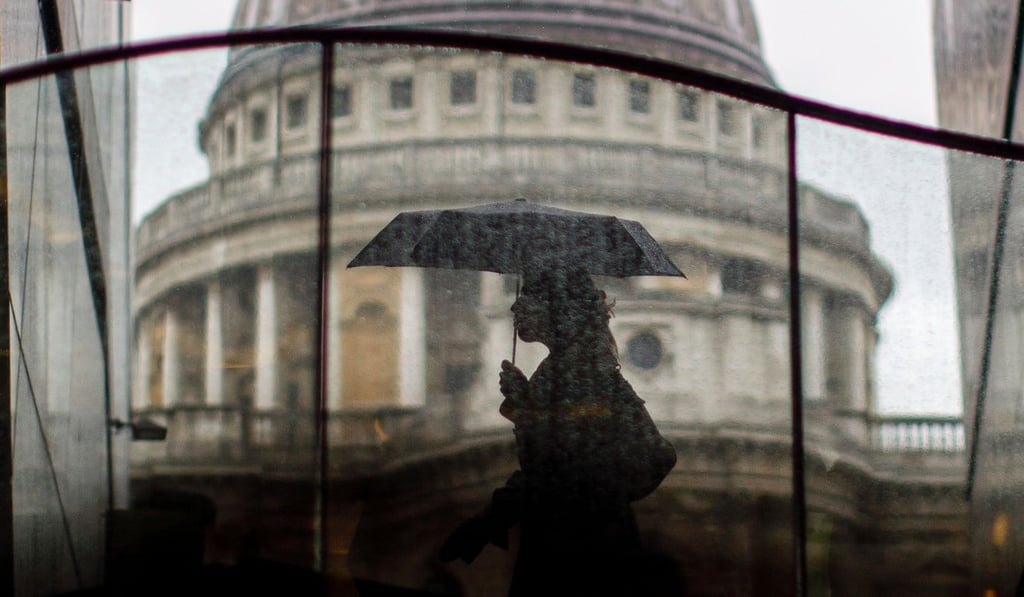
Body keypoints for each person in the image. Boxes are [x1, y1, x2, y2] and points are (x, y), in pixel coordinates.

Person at [440, 268, 677, 596]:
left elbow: (553, 469)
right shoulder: (570, 368)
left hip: (575, 548)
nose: (514, 309)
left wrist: (595, 498)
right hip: (584, 539)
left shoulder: (575, 372)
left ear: (556, 308)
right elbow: (553, 462)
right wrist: (527, 405)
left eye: (526, 300)